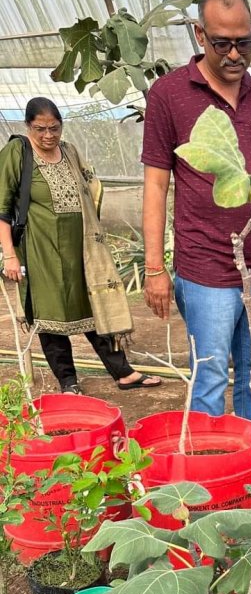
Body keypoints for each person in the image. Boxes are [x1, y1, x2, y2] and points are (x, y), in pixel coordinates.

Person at [141, 0, 251, 477]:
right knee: (210, 375)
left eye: (245, 42)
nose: (235, 54)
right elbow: (155, 185)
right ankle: (213, 474)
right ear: (199, 35)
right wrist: (154, 268)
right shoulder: (169, 95)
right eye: (222, 43)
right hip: (205, 267)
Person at [0, 98, 161, 395]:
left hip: (82, 250)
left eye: (54, 128)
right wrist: (9, 254)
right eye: (40, 129)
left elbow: (92, 190)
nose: (48, 135)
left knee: (94, 306)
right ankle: (68, 382)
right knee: (50, 317)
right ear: (27, 126)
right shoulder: (17, 152)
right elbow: (3, 207)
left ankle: (122, 372)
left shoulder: (70, 151)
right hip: (41, 252)